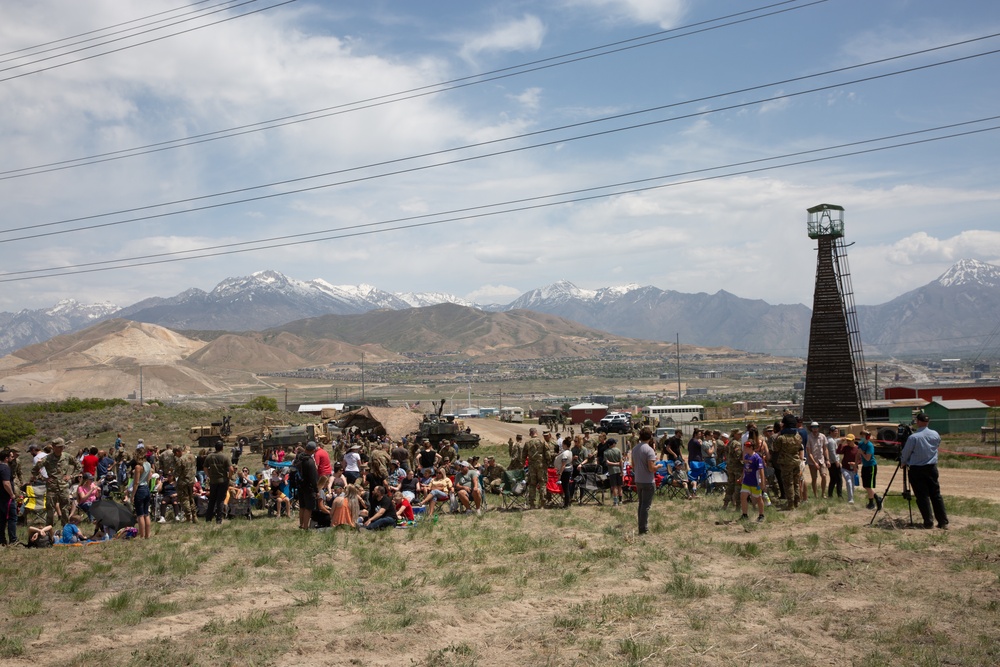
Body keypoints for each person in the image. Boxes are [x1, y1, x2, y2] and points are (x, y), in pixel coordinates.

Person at [900, 413, 949, 530]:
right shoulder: (935, 434)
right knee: (935, 495)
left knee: (922, 496)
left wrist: (903, 462)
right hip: (932, 468)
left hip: (917, 468)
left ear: (918, 421)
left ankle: (928, 522)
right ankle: (943, 521)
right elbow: (937, 445)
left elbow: (906, 453)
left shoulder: (914, 437)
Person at [31, 437, 81, 527]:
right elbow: (34, 471)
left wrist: (71, 476)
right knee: (50, 508)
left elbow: (78, 466)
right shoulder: (47, 459)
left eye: (62, 447)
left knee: (65, 508)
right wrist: (44, 478)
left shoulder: (67, 456)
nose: (61, 449)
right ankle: (48, 530)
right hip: (51, 487)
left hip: (64, 486)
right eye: (59, 447)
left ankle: (65, 529)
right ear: (53, 447)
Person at [630, 427, 657, 535]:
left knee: (641, 504)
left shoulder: (635, 449)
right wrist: (658, 466)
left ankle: (641, 526)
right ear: (650, 436)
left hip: (638, 479)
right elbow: (651, 468)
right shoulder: (649, 450)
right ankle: (643, 528)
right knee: (646, 506)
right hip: (648, 480)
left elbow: (633, 466)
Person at [772, 414, 803, 510]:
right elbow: (800, 448)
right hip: (796, 461)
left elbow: (775, 448)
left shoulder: (781, 438)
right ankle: (797, 501)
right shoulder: (798, 436)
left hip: (786, 463)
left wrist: (779, 433)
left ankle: (790, 504)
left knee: (788, 483)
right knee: (796, 483)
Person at [128, 445, 153, 539]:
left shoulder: (138, 467)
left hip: (140, 489)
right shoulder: (148, 464)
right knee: (146, 513)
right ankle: (148, 534)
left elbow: (136, 482)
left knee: (140, 514)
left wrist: (132, 495)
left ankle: (142, 535)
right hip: (146, 488)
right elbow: (149, 477)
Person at [203, 442, 231, 525]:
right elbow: (231, 469)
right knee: (220, 500)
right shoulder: (225, 457)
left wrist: (209, 476)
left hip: (213, 481)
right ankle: (219, 519)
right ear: (222, 447)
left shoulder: (209, 456)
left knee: (212, 500)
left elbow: (204, 467)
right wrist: (229, 477)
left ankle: (208, 518)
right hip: (223, 481)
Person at [740, 440, 766, 523]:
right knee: (743, 496)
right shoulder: (747, 456)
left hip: (755, 482)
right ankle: (744, 515)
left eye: (746, 447)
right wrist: (741, 477)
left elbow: (761, 471)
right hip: (746, 481)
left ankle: (761, 515)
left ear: (751, 448)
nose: (745, 449)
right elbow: (745, 468)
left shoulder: (757, 458)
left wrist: (762, 482)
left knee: (758, 498)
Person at [857, 429, 881, 511]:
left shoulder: (870, 446)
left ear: (867, 437)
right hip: (865, 466)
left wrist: (862, 453)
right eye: (861, 436)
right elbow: (857, 454)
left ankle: (871, 502)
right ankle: (877, 498)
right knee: (865, 485)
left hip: (871, 466)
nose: (861, 438)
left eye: (863, 436)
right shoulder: (861, 444)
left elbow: (867, 458)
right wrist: (856, 464)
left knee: (869, 486)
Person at [297, 444, 320, 530]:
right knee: (309, 507)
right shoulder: (310, 461)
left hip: (300, 486)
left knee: (302, 506)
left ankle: (301, 524)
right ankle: (306, 527)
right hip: (308, 487)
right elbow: (313, 478)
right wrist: (316, 490)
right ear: (313, 450)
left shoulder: (299, 458)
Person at [524, 428, 546, 510]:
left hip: (532, 466)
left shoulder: (527, 443)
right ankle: (542, 504)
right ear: (536, 433)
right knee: (542, 483)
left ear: (530, 433)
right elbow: (547, 454)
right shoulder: (542, 442)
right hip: (541, 466)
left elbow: (523, 456)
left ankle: (532, 504)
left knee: (532, 484)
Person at [806, 422, 829, 499]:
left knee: (824, 476)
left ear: (818, 428)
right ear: (811, 428)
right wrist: (814, 463)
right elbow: (809, 452)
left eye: (816, 427)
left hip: (821, 459)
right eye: (813, 427)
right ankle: (815, 494)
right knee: (814, 478)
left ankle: (823, 493)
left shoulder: (822, 436)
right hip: (812, 461)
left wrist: (827, 459)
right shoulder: (809, 437)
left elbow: (825, 449)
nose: (815, 429)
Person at [0, 448, 17, 546]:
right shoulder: (5, 468)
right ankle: (13, 540)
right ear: (6, 458)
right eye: (11, 456)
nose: (13, 458)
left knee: (1, 519)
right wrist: (12, 494)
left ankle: (2, 540)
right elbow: (6, 483)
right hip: (7, 498)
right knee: (12, 518)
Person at [839, 433, 859, 504]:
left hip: (854, 469)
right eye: (847, 440)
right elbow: (838, 451)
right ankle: (850, 499)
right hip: (845, 468)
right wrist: (840, 443)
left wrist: (855, 464)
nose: (848, 442)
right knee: (848, 481)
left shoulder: (857, 448)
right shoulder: (845, 447)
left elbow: (860, 459)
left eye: (850, 440)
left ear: (853, 440)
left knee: (852, 484)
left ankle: (851, 497)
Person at [604, 438, 624, 506]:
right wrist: (621, 470)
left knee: (614, 486)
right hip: (619, 470)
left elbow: (607, 462)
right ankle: (621, 500)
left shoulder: (606, 452)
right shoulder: (618, 450)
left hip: (612, 470)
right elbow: (621, 461)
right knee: (619, 486)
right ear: (613, 444)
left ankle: (615, 501)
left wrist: (613, 464)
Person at [554, 438, 573, 509]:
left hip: (565, 471)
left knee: (565, 488)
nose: (562, 446)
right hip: (568, 470)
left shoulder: (565, 453)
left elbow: (563, 465)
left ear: (565, 445)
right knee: (566, 487)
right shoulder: (569, 452)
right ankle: (567, 503)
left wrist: (560, 474)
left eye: (563, 444)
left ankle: (566, 504)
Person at [826, 426, 843, 500]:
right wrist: (836, 461)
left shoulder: (830, 439)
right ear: (831, 432)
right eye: (835, 431)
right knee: (839, 479)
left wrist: (841, 439)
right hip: (834, 462)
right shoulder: (831, 441)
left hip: (831, 462)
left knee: (833, 479)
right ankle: (839, 495)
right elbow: (832, 452)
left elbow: (835, 440)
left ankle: (830, 494)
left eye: (837, 431)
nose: (836, 433)